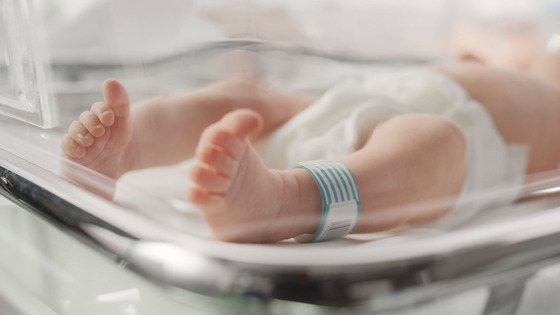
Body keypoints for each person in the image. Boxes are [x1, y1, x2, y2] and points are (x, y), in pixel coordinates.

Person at [61, 48, 560, 243]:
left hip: (454, 153)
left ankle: (289, 200)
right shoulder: (521, 63)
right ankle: (130, 147)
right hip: (353, 103)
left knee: (436, 143)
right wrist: (478, 59)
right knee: (247, 99)